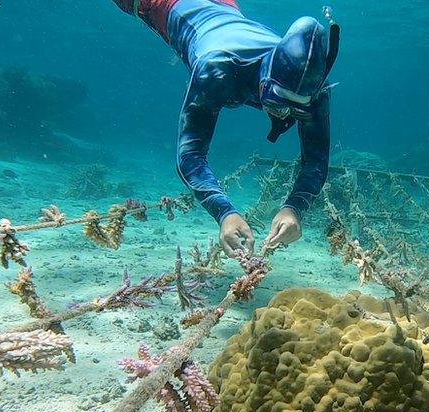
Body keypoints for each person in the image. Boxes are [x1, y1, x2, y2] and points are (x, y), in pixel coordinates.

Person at [110, 0, 340, 256]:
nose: (283, 113)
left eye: (296, 110)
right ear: (265, 75)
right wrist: (225, 213)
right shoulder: (217, 68)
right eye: (276, 101)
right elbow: (190, 155)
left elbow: (316, 161)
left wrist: (294, 208)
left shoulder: (315, 89)